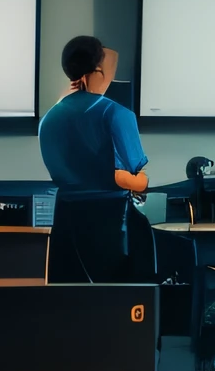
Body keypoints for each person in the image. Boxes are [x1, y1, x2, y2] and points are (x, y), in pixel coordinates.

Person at [39, 35, 152, 282]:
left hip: (64, 225)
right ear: (99, 70)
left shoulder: (47, 120)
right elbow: (134, 178)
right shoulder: (117, 113)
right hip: (111, 225)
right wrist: (136, 181)